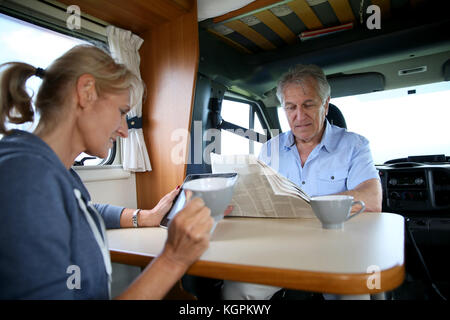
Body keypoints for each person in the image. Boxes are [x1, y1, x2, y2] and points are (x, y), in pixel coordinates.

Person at [0, 44, 214, 299]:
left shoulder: (53, 171)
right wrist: (173, 259)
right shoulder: (27, 178)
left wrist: (145, 216)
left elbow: (86, 212)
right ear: (86, 91)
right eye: (122, 112)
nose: (124, 130)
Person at [222, 64, 382, 300]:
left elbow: (371, 201)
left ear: (326, 104)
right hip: (279, 248)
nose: (299, 116)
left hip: (339, 248)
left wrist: (305, 205)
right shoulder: (269, 149)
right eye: (291, 107)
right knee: (236, 289)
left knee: (353, 296)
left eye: (308, 104)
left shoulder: (355, 146)